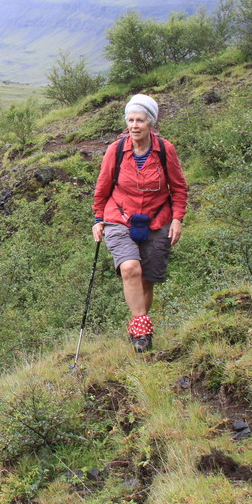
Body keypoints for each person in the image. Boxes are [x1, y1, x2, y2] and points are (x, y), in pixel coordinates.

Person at [91, 93, 188, 352]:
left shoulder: (165, 150)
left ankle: (138, 331)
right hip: (119, 216)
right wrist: (98, 218)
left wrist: (178, 219)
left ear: (151, 123)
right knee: (130, 268)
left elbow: (179, 188)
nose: (134, 126)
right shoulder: (116, 149)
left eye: (140, 120)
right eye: (130, 120)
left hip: (158, 218)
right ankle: (142, 330)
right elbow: (102, 185)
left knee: (146, 279)